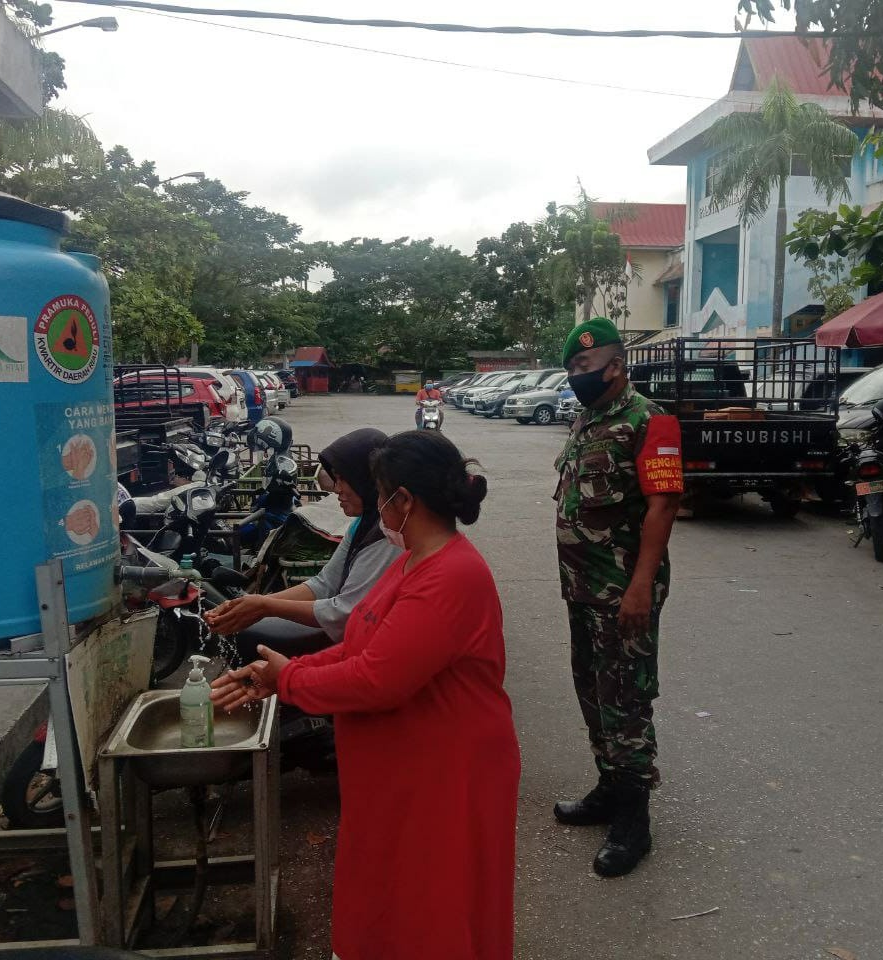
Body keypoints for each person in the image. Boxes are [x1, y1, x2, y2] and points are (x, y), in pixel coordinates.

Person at [211, 431, 520, 960]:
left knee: (434, 905)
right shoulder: (408, 562)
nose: (373, 508)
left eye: (379, 495)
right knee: (388, 898)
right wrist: (277, 674)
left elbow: (377, 679)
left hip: (447, 773)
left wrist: (290, 680)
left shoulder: (452, 576)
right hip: (401, 771)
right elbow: (361, 641)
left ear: (404, 501)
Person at [552, 316, 683, 878]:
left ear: (616, 365)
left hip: (622, 592)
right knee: (591, 691)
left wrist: (639, 588)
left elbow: (664, 507)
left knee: (626, 700)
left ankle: (634, 819)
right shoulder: (587, 419)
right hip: (582, 589)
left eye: (584, 366)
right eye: (571, 370)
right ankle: (608, 788)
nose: (576, 377)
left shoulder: (651, 422)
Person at [205, 428, 402, 660]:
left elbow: (345, 612)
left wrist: (265, 607)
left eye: (343, 479)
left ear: (366, 480)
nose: (336, 489)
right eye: (335, 478)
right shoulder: (362, 523)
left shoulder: (389, 536)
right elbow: (323, 584)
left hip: (365, 647)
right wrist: (252, 603)